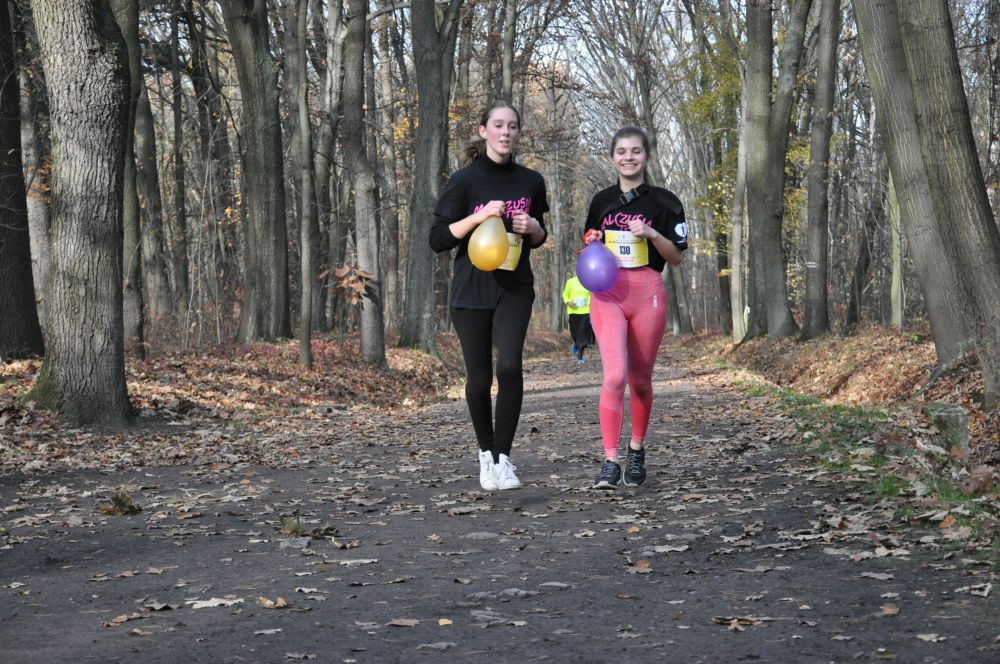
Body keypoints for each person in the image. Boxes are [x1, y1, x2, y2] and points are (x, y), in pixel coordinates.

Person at [429, 100, 548, 491]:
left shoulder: (531, 180)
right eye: (498, 125)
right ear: (484, 131)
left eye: (512, 126)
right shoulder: (464, 180)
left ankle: (503, 458)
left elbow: (539, 236)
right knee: (479, 379)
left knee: (509, 366)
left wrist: (534, 228)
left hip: (515, 287)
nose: (505, 132)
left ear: (518, 133)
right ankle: (485, 453)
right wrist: (477, 217)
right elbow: (438, 239)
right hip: (471, 290)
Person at [582, 127, 687, 489]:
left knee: (640, 380)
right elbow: (588, 244)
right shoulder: (601, 201)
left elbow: (676, 259)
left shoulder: (666, 202)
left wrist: (653, 234)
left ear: (646, 156)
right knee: (614, 377)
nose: (629, 158)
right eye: (622, 152)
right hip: (607, 294)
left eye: (636, 151)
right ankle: (610, 461)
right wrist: (593, 240)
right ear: (612, 157)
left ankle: (637, 449)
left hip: (647, 293)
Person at [561, 275, 594, 364]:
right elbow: (565, 295)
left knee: (582, 333)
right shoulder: (570, 282)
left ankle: (580, 356)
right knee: (574, 334)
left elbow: (594, 295)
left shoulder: (589, 281)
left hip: (586, 312)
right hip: (573, 312)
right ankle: (576, 342)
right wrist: (568, 302)